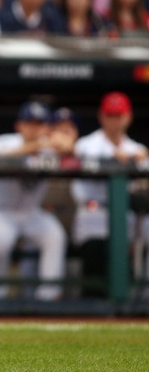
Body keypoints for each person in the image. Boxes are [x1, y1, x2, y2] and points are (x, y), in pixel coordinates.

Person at [0, 101, 68, 302]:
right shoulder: (5, 141)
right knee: (1, 241)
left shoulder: (49, 148)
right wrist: (38, 145)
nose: (34, 128)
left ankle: (49, 295)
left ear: (47, 127)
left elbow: (72, 150)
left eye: (39, 123)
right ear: (19, 125)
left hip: (30, 212)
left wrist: (65, 141)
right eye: (29, 123)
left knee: (54, 235)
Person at [71, 92, 148, 298]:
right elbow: (86, 156)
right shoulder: (86, 144)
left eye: (118, 115)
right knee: (94, 269)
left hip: (127, 215)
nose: (114, 121)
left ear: (128, 117)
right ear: (101, 116)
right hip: (93, 212)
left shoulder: (137, 149)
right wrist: (119, 158)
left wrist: (135, 160)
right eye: (110, 115)